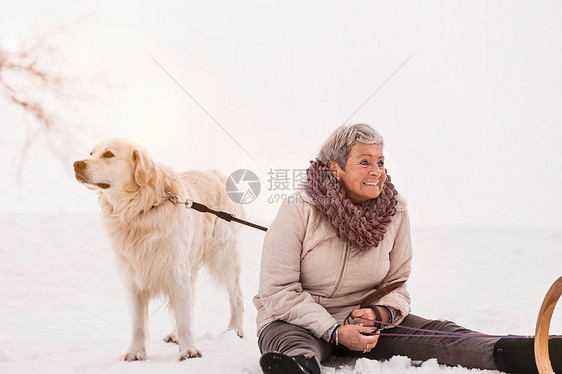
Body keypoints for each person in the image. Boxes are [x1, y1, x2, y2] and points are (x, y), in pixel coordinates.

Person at [253, 124, 561, 374]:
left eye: (380, 161)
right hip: (296, 321)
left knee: (443, 335)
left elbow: (397, 283)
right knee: (293, 343)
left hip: (364, 326)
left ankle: (535, 353)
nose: (376, 170)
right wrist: (332, 331)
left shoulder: (395, 211)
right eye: (364, 162)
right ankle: (298, 368)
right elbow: (278, 291)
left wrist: (379, 312)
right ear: (335, 169)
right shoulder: (300, 208)